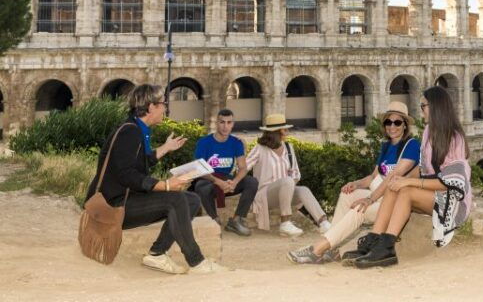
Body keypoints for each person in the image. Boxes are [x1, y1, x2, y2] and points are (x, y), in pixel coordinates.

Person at [84, 84, 227, 274]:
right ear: (151, 107)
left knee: (192, 200)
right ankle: (197, 262)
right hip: (114, 205)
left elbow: (139, 162)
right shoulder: (130, 131)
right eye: (163, 104)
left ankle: (157, 253)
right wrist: (166, 185)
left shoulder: (138, 128)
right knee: (176, 199)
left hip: (126, 199)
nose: (165, 108)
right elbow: (126, 174)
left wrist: (166, 148)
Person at [349, 86, 471, 269]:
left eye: (423, 106)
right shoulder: (429, 131)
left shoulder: (454, 138)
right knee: (395, 185)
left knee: (405, 191)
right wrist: (400, 179)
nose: (421, 111)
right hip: (433, 193)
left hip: (453, 199)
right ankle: (375, 239)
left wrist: (408, 182)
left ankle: (387, 247)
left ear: (435, 107)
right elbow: (422, 169)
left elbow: (450, 184)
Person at [287, 100, 420, 264]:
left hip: (396, 200)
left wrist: (369, 199)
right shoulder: (386, 146)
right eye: (388, 122)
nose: (392, 126)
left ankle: (318, 249)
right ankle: (333, 249)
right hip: (380, 195)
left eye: (397, 122)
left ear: (405, 125)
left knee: (360, 208)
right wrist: (356, 184)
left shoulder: (411, 145)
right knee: (347, 194)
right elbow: (373, 177)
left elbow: (394, 176)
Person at [245, 113, 331, 237]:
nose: (287, 132)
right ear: (276, 132)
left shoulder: (289, 148)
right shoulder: (260, 149)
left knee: (303, 190)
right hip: (265, 195)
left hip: (286, 191)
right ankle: (285, 223)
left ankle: (323, 223)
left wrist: (289, 186)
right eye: (285, 129)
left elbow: (296, 173)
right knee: (287, 181)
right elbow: (244, 167)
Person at [191, 108, 259, 236]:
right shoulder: (204, 142)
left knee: (252, 182)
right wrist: (218, 182)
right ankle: (214, 220)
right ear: (217, 123)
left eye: (229, 122)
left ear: (233, 124)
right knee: (200, 187)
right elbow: (199, 169)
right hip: (209, 180)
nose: (225, 126)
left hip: (227, 181)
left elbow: (243, 168)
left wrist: (234, 182)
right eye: (222, 122)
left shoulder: (236, 143)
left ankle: (236, 220)